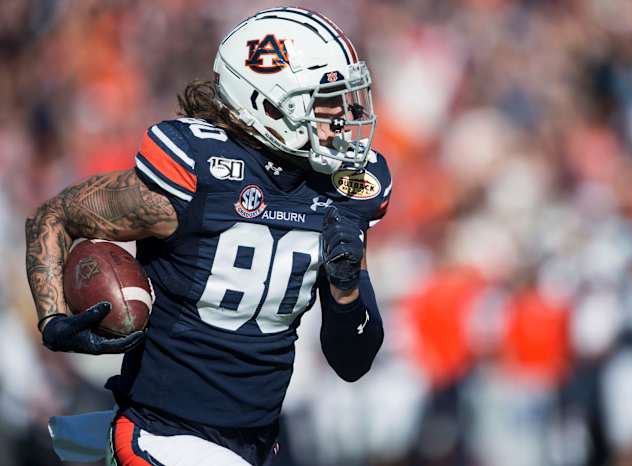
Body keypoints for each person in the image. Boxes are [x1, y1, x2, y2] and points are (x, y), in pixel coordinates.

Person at [25, 7, 391, 465]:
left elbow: (353, 362)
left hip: (256, 443)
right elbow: (55, 216)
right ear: (268, 102)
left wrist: (345, 289)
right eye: (325, 101)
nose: (342, 118)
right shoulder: (201, 171)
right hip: (162, 432)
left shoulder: (339, 189)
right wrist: (53, 318)